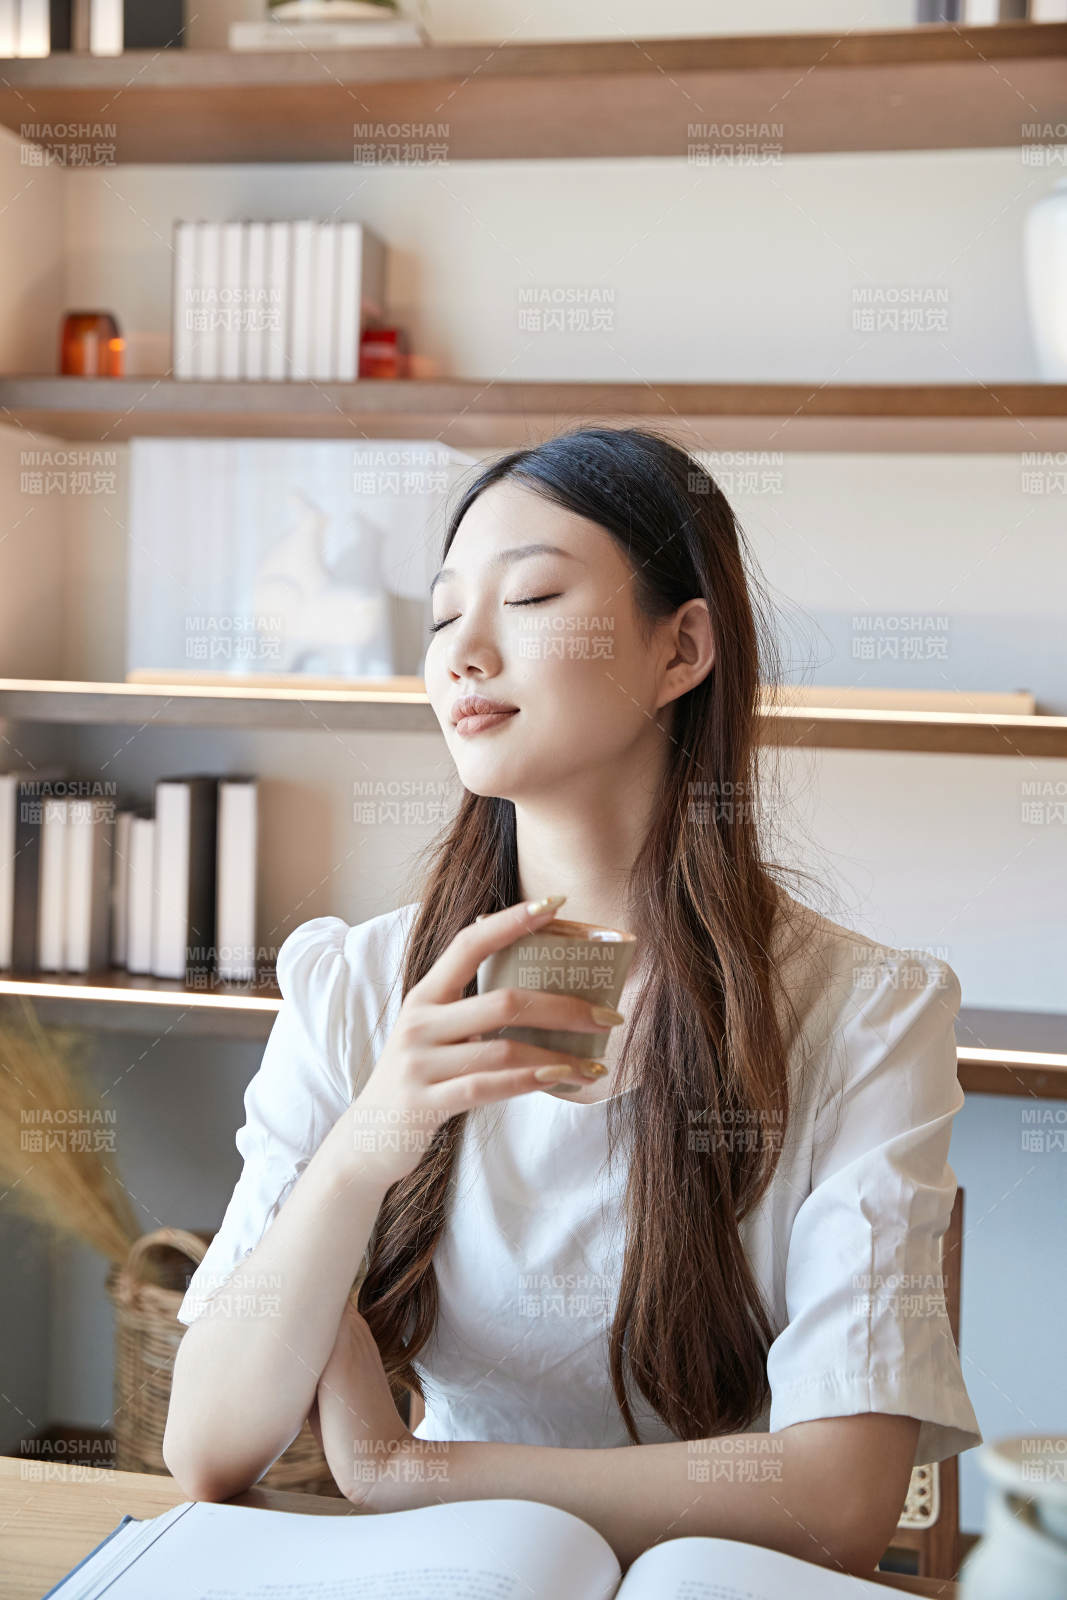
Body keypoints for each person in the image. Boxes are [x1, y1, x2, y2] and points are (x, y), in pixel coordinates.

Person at [163, 426, 982, 1577]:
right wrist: (363, 1149)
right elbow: (205, 1445)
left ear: (679, 648)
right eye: (444, 613)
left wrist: (411, 1473)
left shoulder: (864, 1011)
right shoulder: (354, 989)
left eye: (531, 595)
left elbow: (840, 1496)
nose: (462, 651)